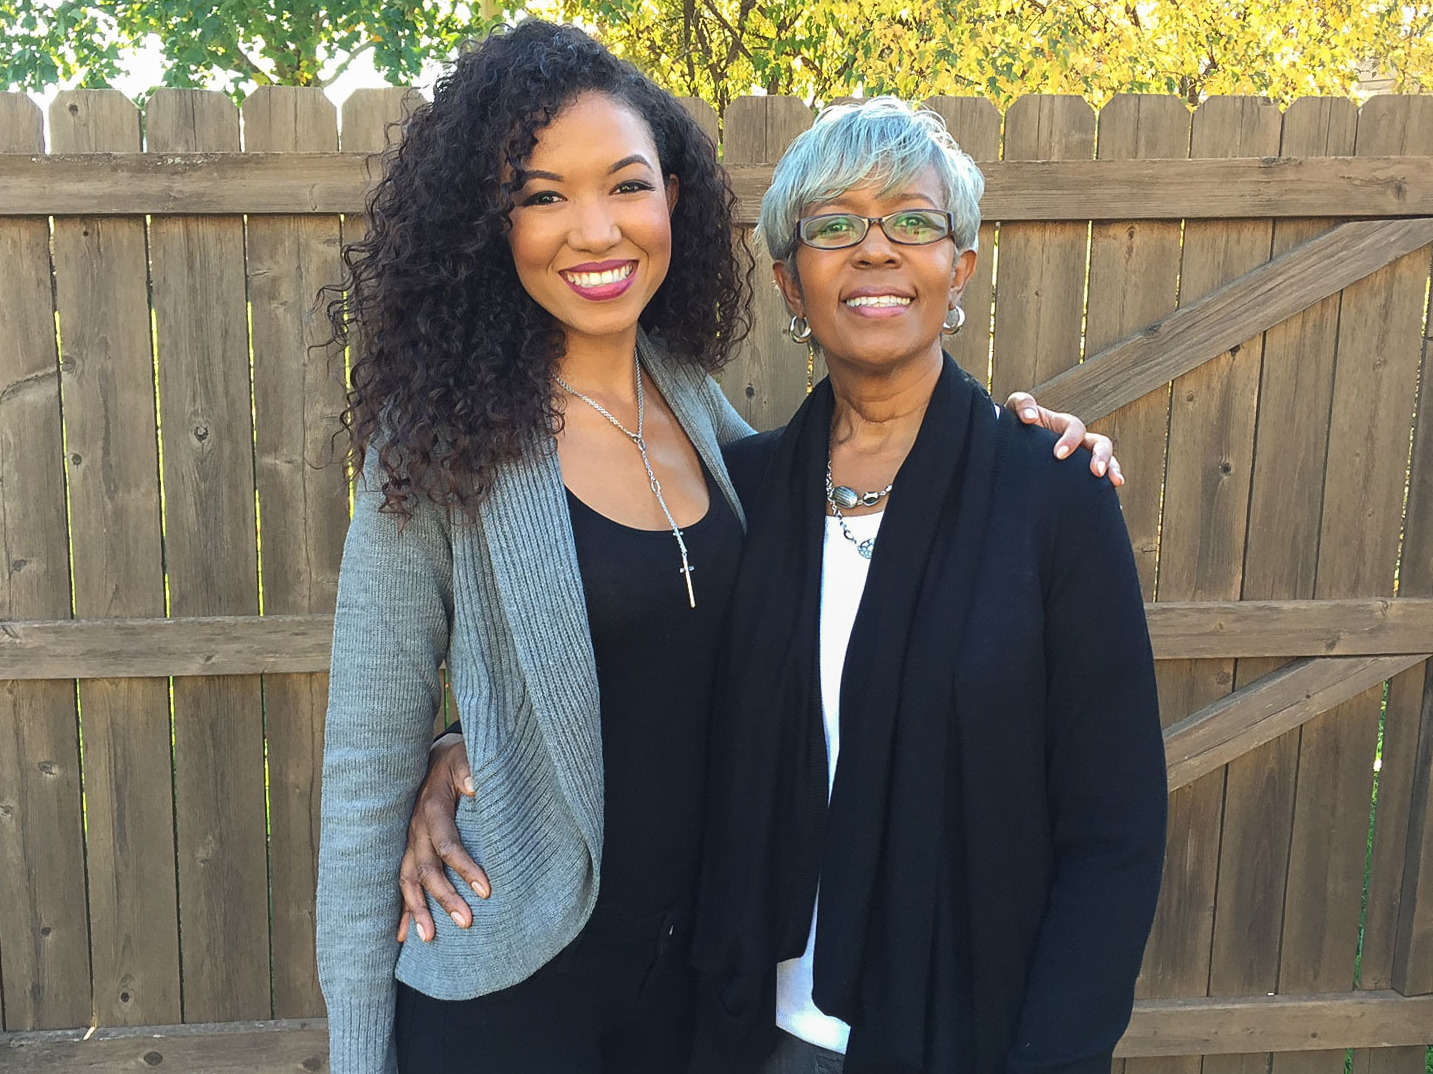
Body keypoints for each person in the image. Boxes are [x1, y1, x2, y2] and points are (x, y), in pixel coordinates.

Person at [317, 21, 1119, 1074]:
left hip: (696, 995)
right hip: (510, 993)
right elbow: (364, 771)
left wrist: (1036, 443)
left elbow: (836, 540)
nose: (593, 230)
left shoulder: (706, 418)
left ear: (673, 201)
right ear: (488, 223)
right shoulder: (434, 448)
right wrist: (453, 756)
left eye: (625, 185)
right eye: (542, 195)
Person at [687, 99, 1167, 1074]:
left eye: (911, 221)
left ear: (959, 270)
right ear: (789, 278)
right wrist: (452, 744)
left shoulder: (1050, 498)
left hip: (964, 1036)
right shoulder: (735, 501)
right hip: (747, 1032)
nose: (873, 250)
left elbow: (1113, 828)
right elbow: (620, 699)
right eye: (831, 225)